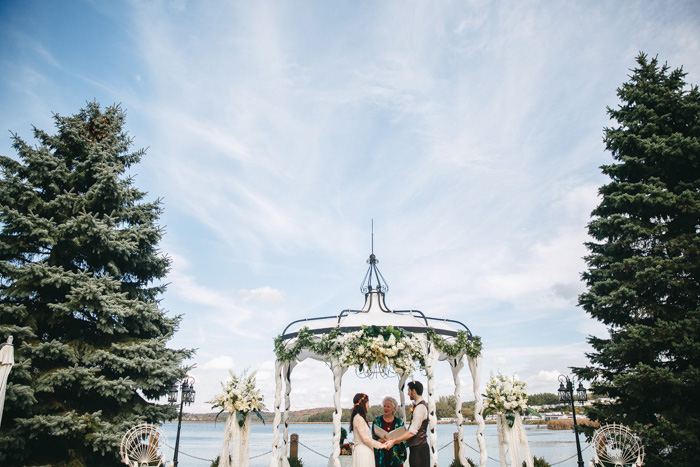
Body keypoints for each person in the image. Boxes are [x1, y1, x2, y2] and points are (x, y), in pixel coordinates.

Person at [385, 381, 429, 467]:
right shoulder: (420, 406)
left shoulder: (420, 408)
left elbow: (412, 431)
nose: (408, 394)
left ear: (414, 391)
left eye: (409, 391)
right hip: (418, 448)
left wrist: (394, 441)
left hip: (418, 450)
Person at [350, 393, 387, 467]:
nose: (368, 405)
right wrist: (380, 445)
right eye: (367, 403)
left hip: (365, 451)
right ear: (363, 404)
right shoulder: (358, 418)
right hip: (362, 452)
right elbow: (365, 439)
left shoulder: (360, 418)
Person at [372, 396, 407, 467]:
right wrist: (382, 440)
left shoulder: (399, 423)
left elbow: (404, 440)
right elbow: (373, 438)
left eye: (388, 406)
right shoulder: (377, 421)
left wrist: (393, 441)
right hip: (381, 457)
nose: (385, 408)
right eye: (384, 406)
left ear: (394, 408)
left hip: (396, 458)